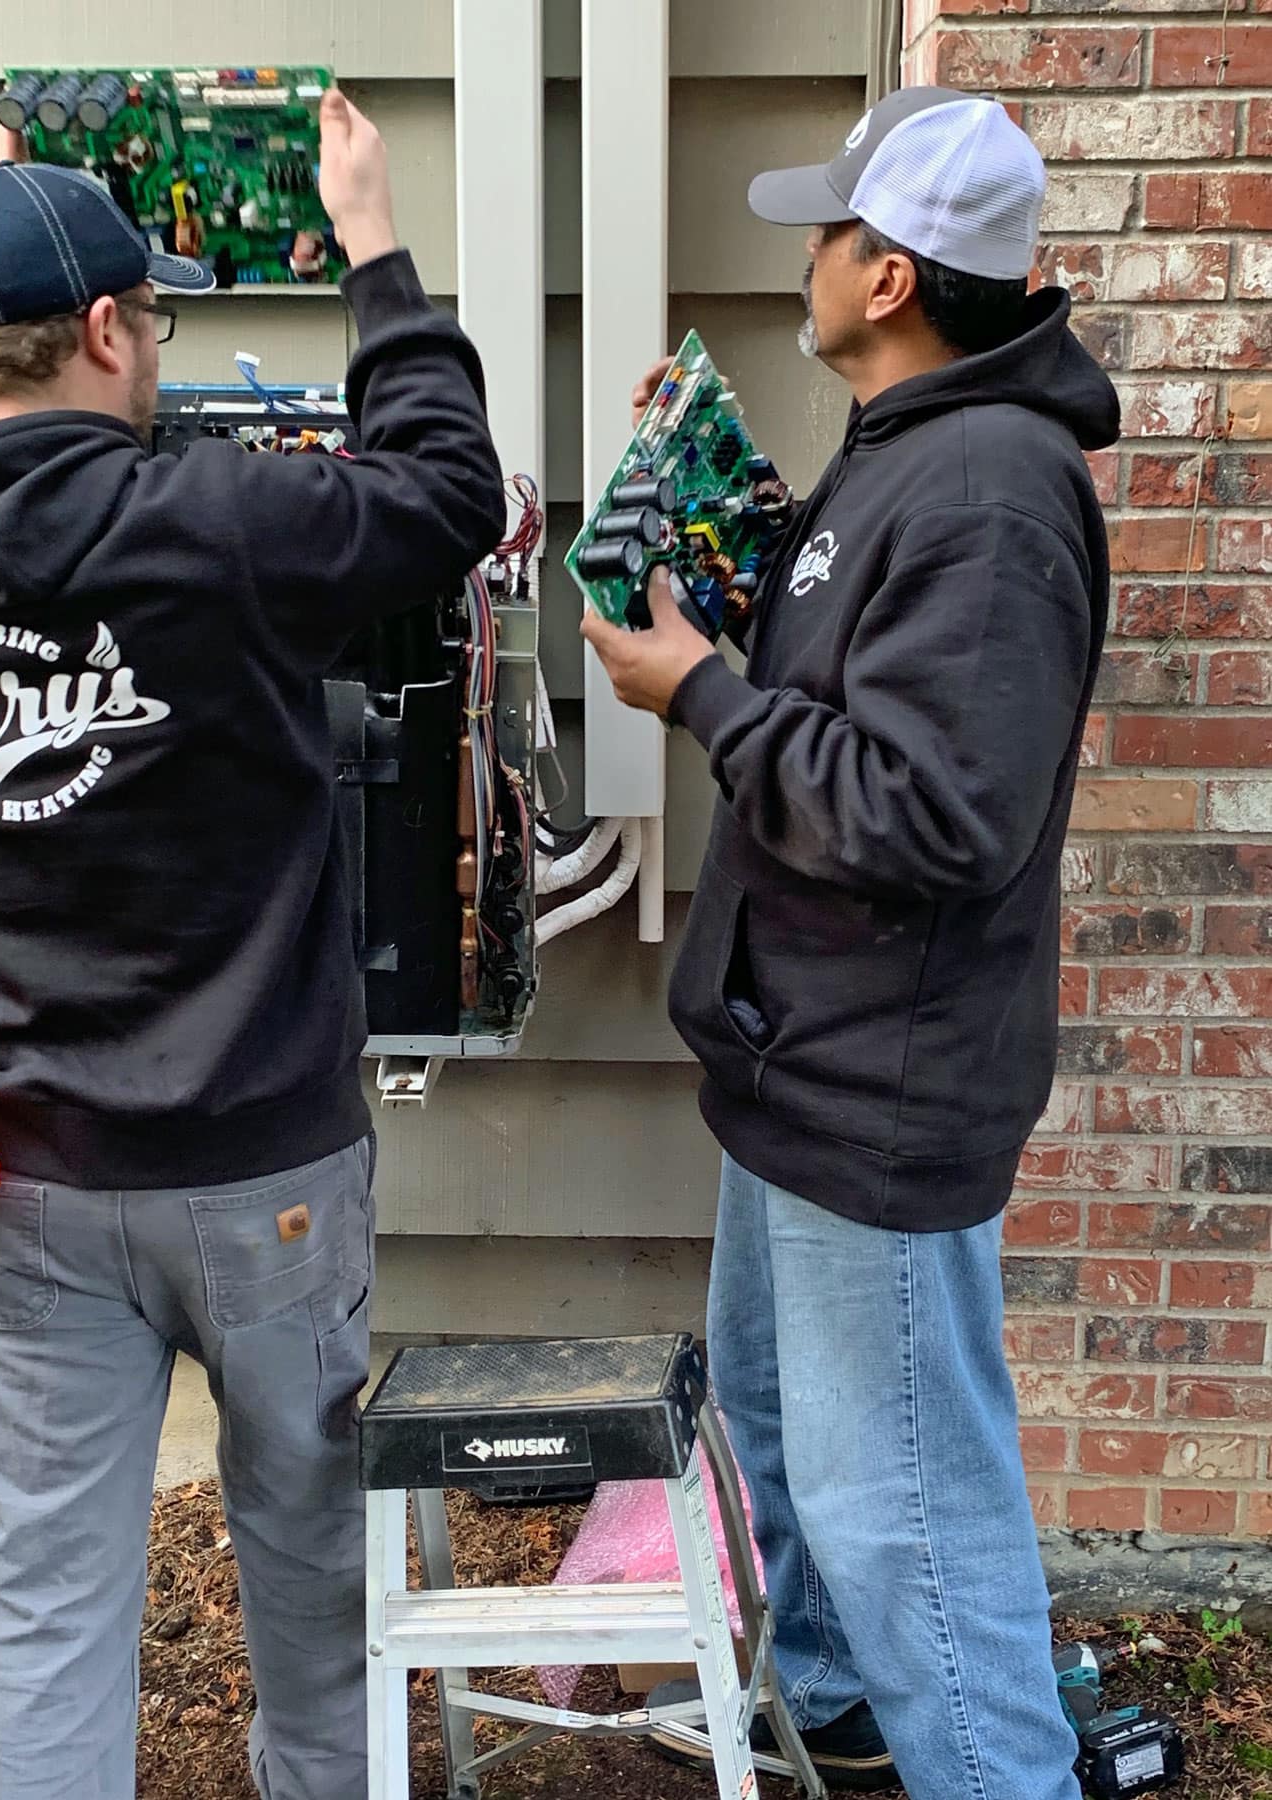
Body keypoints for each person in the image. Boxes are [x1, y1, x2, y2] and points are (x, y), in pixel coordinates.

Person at [0, 92, 504, 1800]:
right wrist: (377, 249)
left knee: (39, 1593)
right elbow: (444, 490)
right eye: (154, 318)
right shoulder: (221, 524)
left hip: (13, 1179)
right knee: (313, 1568)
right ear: (108, 329)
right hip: (264, 1172)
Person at [584, 87, 1119, 1799]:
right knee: (792, 1449)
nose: (802, 255)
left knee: (903, 1517)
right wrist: (739, 618)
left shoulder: (988, 496)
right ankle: (831, 1712)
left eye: (824, 230)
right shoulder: (907, 446)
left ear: (888, 277)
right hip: (793, 1060)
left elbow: (934, 820)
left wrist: (708, 695)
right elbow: (871, 707)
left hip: (874, 1093)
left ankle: (991, 1771)